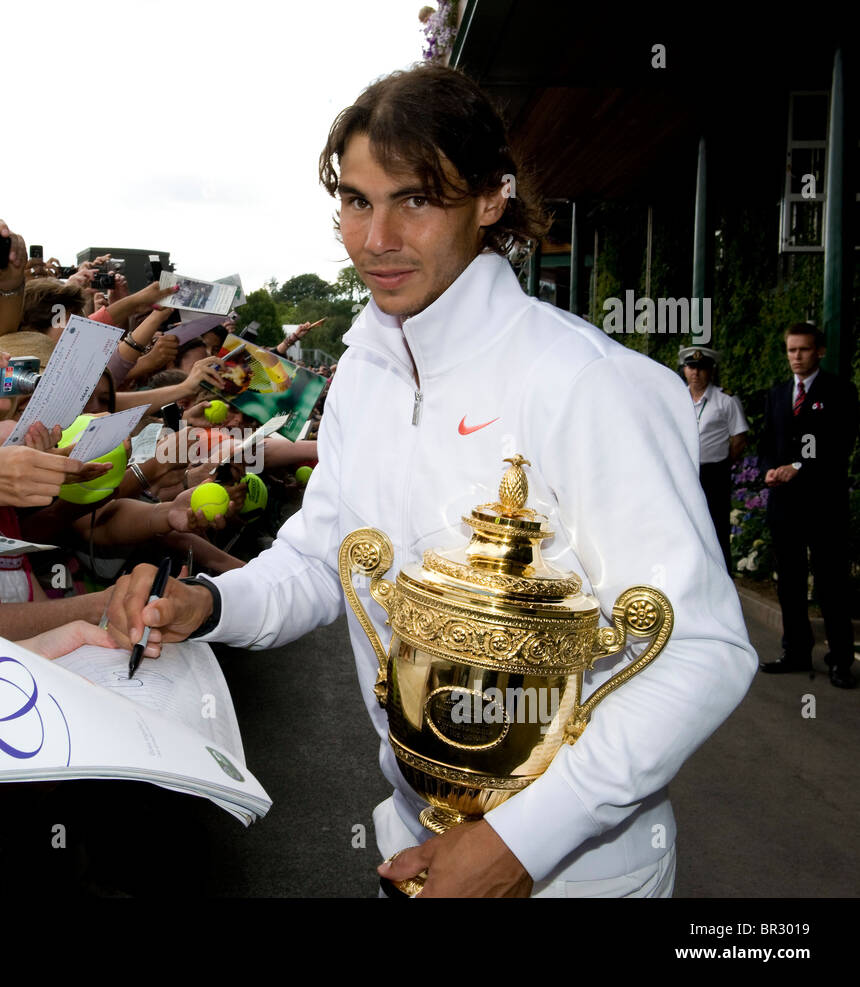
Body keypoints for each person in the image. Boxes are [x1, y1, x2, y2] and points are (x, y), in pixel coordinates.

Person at [105, 63, 757, 897]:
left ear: (491, 199)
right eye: (355, 200)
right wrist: (209, 604)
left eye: (414, 199)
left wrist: (519, 841)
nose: (375, 237)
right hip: (411, 838)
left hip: (577, 874)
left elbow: (701, 649)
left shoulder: (588, 382)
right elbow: (322, 557)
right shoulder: (367, 369)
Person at [757, 323, 859, 689]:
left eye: (802, 350)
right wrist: (769, 469)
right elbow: (767, 441)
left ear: (820, 352)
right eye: (790, 350)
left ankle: (841, 661)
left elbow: (838, 445)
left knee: (831, 585)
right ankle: (796, 651)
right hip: (785, 506)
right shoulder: (778, 394)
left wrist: (797, 466)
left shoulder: (841, 392)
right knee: (790, 583)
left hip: (824, 506)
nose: (796, 357)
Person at [678, 345, 748, 573]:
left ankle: (722, 577)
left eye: (701, 368)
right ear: (684, 369)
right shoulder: (677, 398)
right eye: (691, 367)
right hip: (685, 472)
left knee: (716, 528)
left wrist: (724, 463)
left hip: (714, 473)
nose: (695, 373)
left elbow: (738, 438)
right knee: (685, 525)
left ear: (711, 371)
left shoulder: (725, 400)